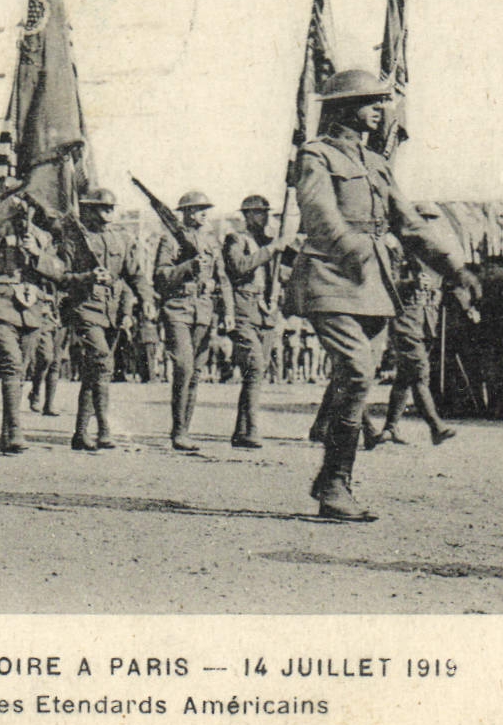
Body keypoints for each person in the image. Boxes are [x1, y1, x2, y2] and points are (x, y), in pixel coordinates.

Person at [285, 70, 479, 522]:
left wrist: (455, 267)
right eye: (371, 101)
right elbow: (318, 213)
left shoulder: (376, 163)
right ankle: (334, 485)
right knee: (354, 370)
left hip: (373, 285)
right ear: (344, 106)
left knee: (359, 379)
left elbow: (409, 224)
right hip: (330, 276)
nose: (380, 109)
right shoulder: (315, 155)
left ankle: (334, 478)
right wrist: (353, 249)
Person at [59, 187, 153, 451]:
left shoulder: (121, 239)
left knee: (94, 372)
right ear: (87, 209)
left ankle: (80, 433)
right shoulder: (74, 241)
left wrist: (146, 299)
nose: (110, 212)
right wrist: (87, 277)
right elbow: (61, 277)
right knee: (102, 362)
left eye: (111, 208)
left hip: (111, 311)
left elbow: (135, 274)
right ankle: (103, 429)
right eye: (103, 208)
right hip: (85, 308)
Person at [0, 187, 66, 455]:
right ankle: (16, 430)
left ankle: (7, 435)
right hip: (2, 302)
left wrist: (37, 254)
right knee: (12, 364)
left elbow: (59, 270)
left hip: (32, 306)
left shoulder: (44, 237)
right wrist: (15, 192)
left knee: (22, 369)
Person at [151, 190, 233, 451]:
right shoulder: (170, 240)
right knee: (184, 367)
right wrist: (188, 267)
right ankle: (177, 431)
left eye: (205, 209)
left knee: (195, 372)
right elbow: (161, 277)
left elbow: (223, 280)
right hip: (178, 309)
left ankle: (184, 431)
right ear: (185, 213)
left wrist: (228, 312)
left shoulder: (211, 242)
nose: (204, 214)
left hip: (204, 311)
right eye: (198, 209)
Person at [367, 227, 460, 447]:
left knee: (405, 378)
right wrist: (409, 284)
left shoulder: (428, 254)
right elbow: (382, 282)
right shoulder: (393, 247)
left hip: (426, 323)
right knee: (419, 374)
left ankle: (390, 428)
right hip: (405, 321)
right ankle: (436, 426)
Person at [222, 194, 295, 449]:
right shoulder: (236, 239)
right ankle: (251, 429)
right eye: (258, 213)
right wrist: (271, 249)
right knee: (254, 366)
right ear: (247, 215)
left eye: (265, 212)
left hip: (266, 313)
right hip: (243, 310)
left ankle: (241, 431)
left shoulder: (269, 242)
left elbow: (287, 269)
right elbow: (239, 267)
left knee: (257, 372)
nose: (263, 217)